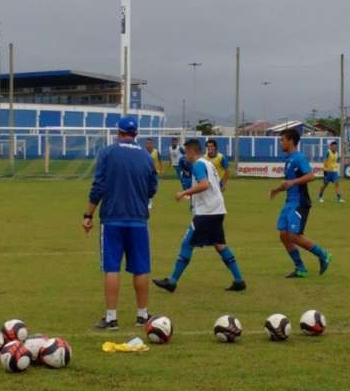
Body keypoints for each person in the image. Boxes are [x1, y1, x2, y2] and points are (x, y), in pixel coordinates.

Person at [84, 117, 158, 330]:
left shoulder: (107, 153)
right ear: (136, 134)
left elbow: (98, 186)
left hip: (112, 219)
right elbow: (153, 187)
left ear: (118, 132)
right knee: (141, 268)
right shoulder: (146, 156)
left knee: (111, 268)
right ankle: (142, 315)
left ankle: (111, 318)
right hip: (138, 220)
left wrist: (88, 214)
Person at [153, 139, 245, 292]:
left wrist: (184, 192)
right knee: (220, 245)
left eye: (186, 151)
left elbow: (204, 184)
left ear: (191, 151)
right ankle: (239, 280)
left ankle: (172, 281)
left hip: (207, 212)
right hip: (217, 210)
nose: (185, 155)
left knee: (187, 243)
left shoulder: (198, 164)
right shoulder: (207, 163)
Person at [270, 129, 333, 278]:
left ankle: (323, 254)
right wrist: (277, 190)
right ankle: (300, 268)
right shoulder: (288, 159)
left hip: (299, 202)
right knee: (284, 235)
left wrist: (293, 182)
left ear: (291, 141)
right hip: (289, 202)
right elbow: (288, 183)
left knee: (293, 235)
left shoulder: (299, 158)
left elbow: (311, 176)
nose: (281, 143)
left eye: (282, 140)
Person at [146, 139, 163, 209]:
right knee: (147, 187)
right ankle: (149, 201)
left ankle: (150, 199)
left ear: (152, 144)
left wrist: (161, 169)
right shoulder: (144, 152)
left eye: (150, 144)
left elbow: (160, 161)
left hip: (155, 172)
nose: (148, 145)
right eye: (147, 144)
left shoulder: (156, 152)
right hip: (146, 172)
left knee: (154, 188)